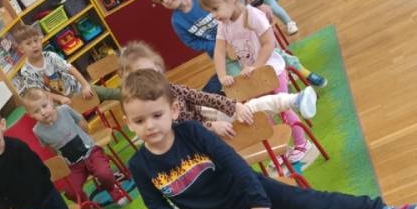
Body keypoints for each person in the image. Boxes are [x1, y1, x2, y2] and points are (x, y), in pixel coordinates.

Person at [122, 69, 417, 209]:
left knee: (319, 204)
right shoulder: (139, 165)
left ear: (174, 110)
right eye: (139, 121)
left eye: (157, 115)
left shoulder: (192, 132)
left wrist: (258, 201)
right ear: (128, 123)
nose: (150, 126)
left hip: (252, 194)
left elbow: (233, 163)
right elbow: (156, 206)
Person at [147, 0, 327, 88]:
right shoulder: (177, 21)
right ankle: (269, 93)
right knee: (241, 79)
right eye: (161, 0)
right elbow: (192, 42)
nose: (166, 0)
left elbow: (231, 7)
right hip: (223, 53)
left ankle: (303, 72)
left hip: (243, 38)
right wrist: (218, 47)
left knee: (275, 54)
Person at [199, 0, 310, 163]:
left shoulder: (253, 15)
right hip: (251, 76)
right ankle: (278, 150)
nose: (214, 15)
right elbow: (219, 52)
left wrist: (256, 66)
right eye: (210, 12)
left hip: (271, 70)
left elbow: (269, 43)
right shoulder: (224, 25)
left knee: (282, 108)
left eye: (215, 9)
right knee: (261, 115)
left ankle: (302, 144)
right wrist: (222, 75)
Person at [118, 41, 317, 140]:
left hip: (207, 118)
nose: (146, 79)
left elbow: (204, 97)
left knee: (248, 109)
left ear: (159, 69)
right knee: (248, 113)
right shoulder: (146, 113)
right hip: (199, 138)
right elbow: (182, 128)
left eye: (150, 71)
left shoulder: (172, 89)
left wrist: (234, 106)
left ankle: (294, 100)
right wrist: (211, 126)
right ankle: (292, 101)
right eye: (138, 75)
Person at [24, 88, 129, 209]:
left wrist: (87, 140)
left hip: (91, 152)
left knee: (104, 174)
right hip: (72, 165)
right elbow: (50, 148)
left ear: (51, 102)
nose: (43, 112)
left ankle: (113, 190)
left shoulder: (65, 110)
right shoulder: (37, 131)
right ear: (30, 115)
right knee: (70, 191)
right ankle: (86, 205)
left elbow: (82, 124)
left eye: (44, 106)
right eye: (37, 111)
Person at [11, 23, 120, 102]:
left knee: (111, 93)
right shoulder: (26, 72)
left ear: (40, 41)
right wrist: (60, 98)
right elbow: (41, 93)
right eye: (28, 43)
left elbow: (70, 68)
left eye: (36, 41)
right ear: (21, 49)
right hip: (59, 104)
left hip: (77, 88)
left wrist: (85, 85)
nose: (34, 45)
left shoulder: (50, 56)